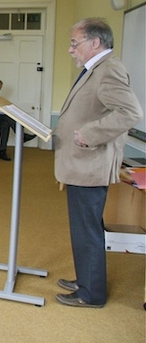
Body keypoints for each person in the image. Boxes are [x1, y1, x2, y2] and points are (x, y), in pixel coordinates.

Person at [54, 18, 142, 308]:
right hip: (82, 164)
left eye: (74, 43)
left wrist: (90, 134)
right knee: (82, 227)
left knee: (88, 228)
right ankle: (85, 280)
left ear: (95, 43)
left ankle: (92, 294)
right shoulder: (96, 69)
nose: (70, 49)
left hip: (90, 164)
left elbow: (130, 113)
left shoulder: (109, 70)